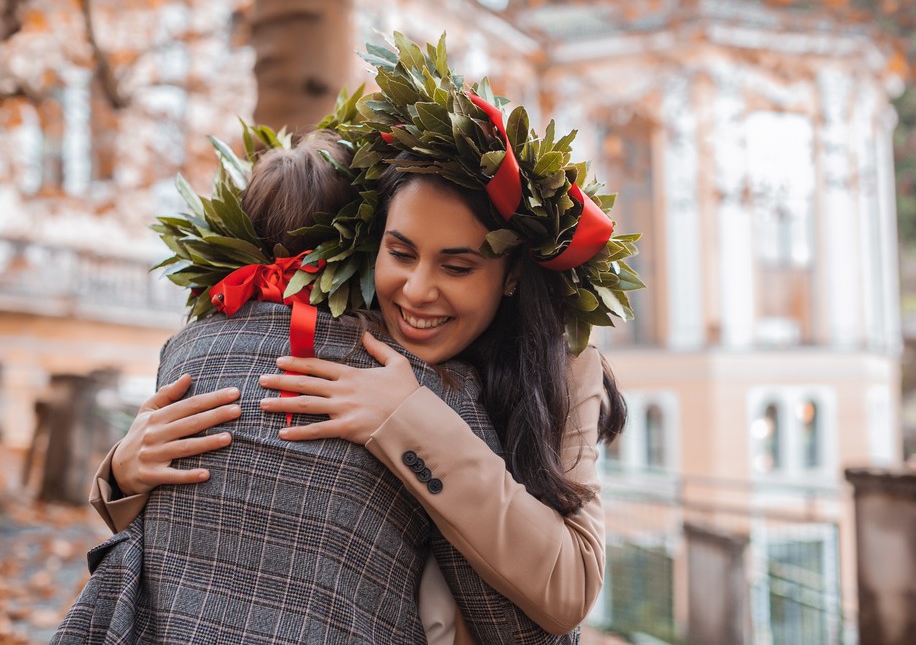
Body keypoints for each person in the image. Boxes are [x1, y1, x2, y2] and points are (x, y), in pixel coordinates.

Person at [78, 33, 641, 643]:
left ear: (511, 276)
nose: (417, 291)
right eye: (400, 253)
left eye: (458, 267)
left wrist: (409, 416)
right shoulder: (357, 339)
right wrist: (121, 473)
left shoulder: (562, 368)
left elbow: (567, 598)